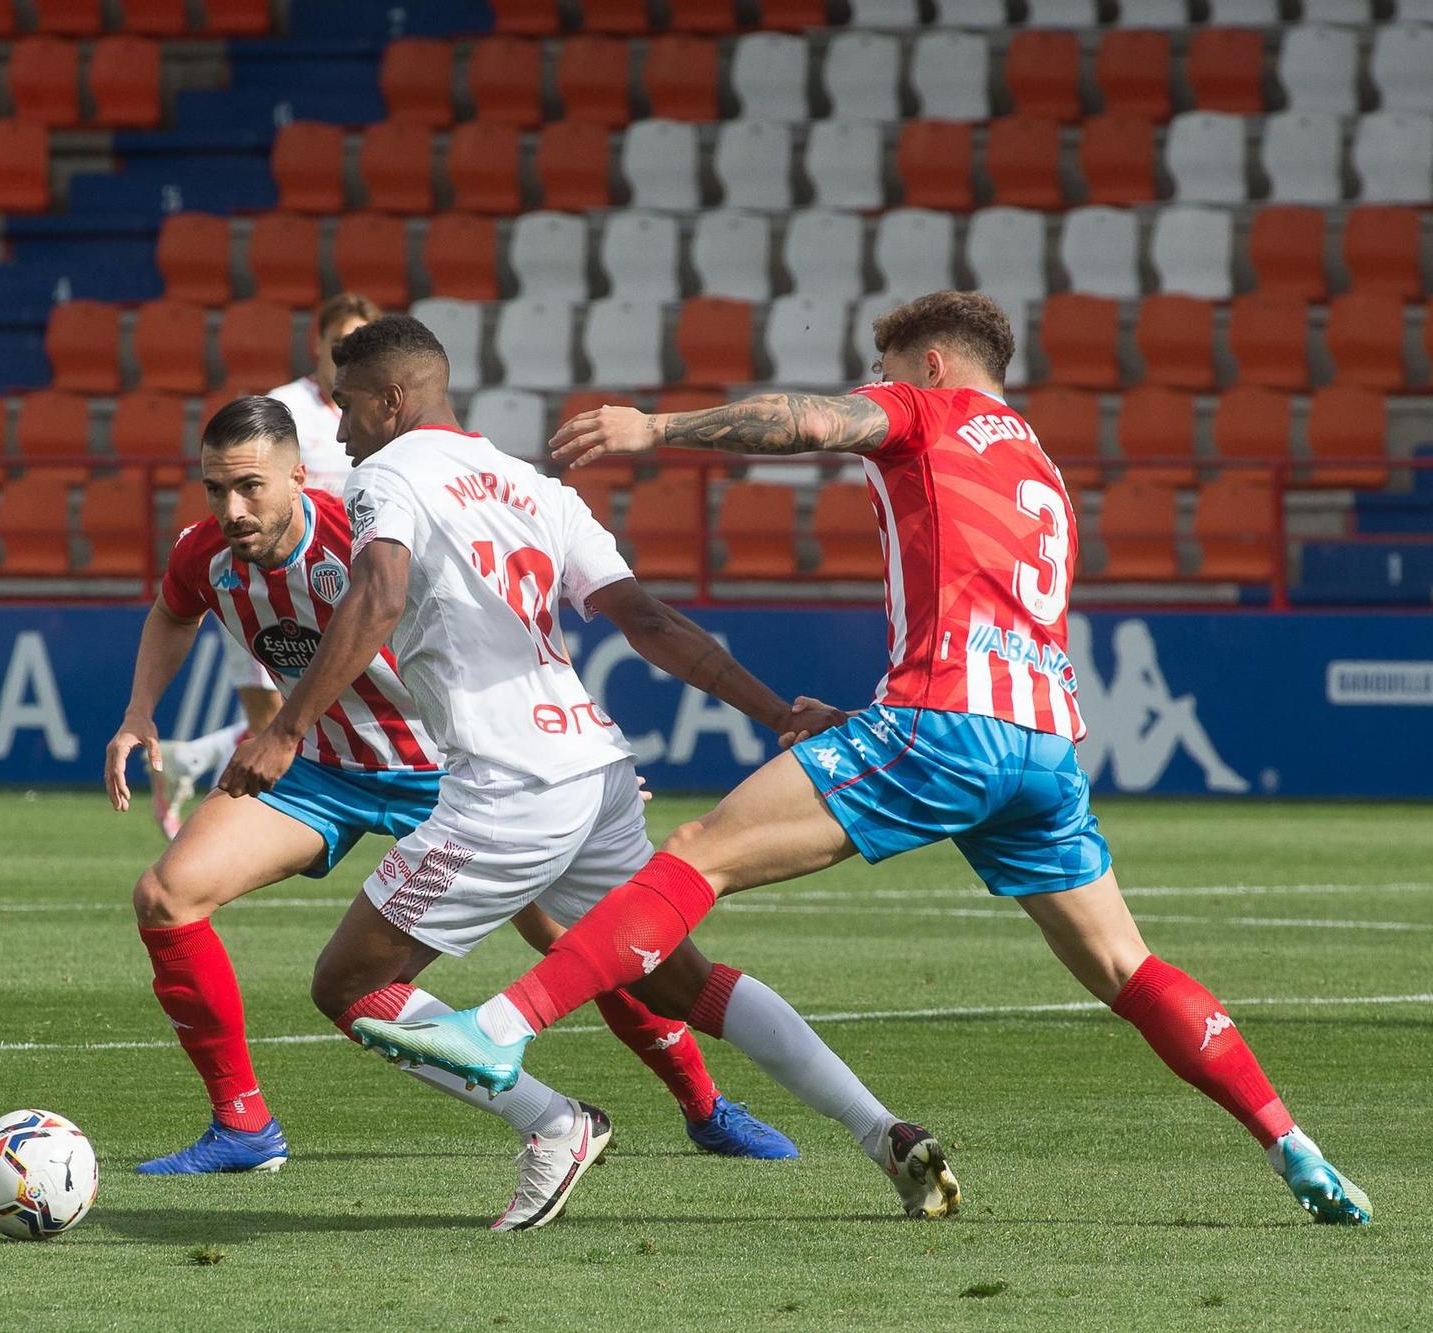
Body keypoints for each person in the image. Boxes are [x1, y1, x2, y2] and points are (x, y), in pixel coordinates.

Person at [349, 291, 1373, 1227]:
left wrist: (655, 427)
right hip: (1042, 746)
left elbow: (807, 422)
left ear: (927, 365)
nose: (874, 386)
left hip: (942, 724)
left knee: (698, 851)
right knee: (1125, 964)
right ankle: (1294, 1145)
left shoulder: (927, 411)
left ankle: (498, 1026)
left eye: (884, 370)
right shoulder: (1038, 464)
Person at [217, 317, 953, 1229]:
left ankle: (551, 1122)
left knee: (350, 985)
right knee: (677, 980)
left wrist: (286, 728)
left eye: (350, 405)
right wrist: (778, 712)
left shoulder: (387, 476)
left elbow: (380, 593)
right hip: (594, 770)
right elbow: (647, 620)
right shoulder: (535, 487)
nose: (338, 430)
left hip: (506, 788)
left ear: (394, 400)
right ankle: (882, 1129)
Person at [107, 396, 799, 1183]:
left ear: (299, 475)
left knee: (591, 940)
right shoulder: (205, 553)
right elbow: (173, 609)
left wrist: (565, 764)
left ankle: (704, 1105)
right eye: (214, 490)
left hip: (454, 775)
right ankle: (243, 1123)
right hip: (325, 774)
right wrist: (138, 712)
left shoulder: (368, 540)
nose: (231, 509)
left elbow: (501, 633)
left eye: (250, 487)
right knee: (166, 895)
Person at [148, 294, 381, 836]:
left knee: (311, 719)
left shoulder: (369, 419)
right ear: (317, 345)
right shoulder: (286, 408)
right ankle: (236, 837)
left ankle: (197, 765)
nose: (349, 354)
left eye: (362, 345)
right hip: (267, 582)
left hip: (339, 587)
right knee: (271, 724)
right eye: (340, 342)